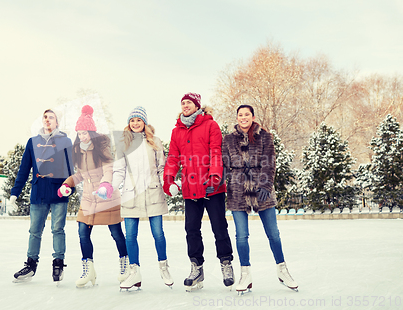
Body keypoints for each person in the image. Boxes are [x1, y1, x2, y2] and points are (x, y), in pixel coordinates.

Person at [222, 104, 298, 294]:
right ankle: (245, 274)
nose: (243, 117)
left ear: (253, 116)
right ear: (237, 118)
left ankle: (282, 270)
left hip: (261, 186)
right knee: (241, 235)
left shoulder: (264, 136)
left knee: (273, 234)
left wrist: (265, 185)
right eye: (240, 115)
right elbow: (224, 165)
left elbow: (270, 162)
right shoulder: (228, 139)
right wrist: (218, 181)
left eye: (247, 114)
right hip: (238, 189)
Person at [163, 92, 234, 291]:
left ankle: (226, 264)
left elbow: (216, 152)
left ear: (197, 106)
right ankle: (197, 268)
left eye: (189, 103)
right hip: (190, 188)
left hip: (212, 187)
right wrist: (168, 178)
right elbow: (173, 157)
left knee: (219, 228)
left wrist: (215, 177)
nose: (185, 106)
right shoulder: (177, 130)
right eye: (183, 103)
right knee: (191, 230)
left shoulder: (211, 125)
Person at [58, 105, 128, 288]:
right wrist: (68, 183)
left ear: (92, 132)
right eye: (79, 133)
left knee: (116, 233)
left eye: (85, 133)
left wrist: (106, 185)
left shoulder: (102, 148)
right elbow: (80, 175)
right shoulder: (78, 151)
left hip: (107, 197)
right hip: (88, 199)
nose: (82, 136)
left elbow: (108, 170)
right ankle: (88, 270)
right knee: (82, 233)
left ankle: (125, 264)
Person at [10, 109, 75, 284]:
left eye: (51, 117)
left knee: (57, 229)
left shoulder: (65, 141)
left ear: (57, 122)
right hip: (38, 193)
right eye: (45, 117)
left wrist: (70, 187)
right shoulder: (33, 142)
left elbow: (71, 169)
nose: (47, 120)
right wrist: (14, 193)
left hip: (58, 192)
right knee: (34, 231)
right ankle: (31, 265)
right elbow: (24, 169)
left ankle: (58, 264)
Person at [112, 106, 173, 290]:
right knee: (130, 235)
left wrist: (168, 183)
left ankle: (164, 267)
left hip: (153, 191)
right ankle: (134, 273)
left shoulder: (155, 141)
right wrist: (111, 186)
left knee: (158, 234)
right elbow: (119, 170)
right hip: (131, 194)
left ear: (144, 122)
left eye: (138, 120)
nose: (135, 123)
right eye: (132, 120)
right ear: (129, 123)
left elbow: (162, 168)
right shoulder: (123, 144)